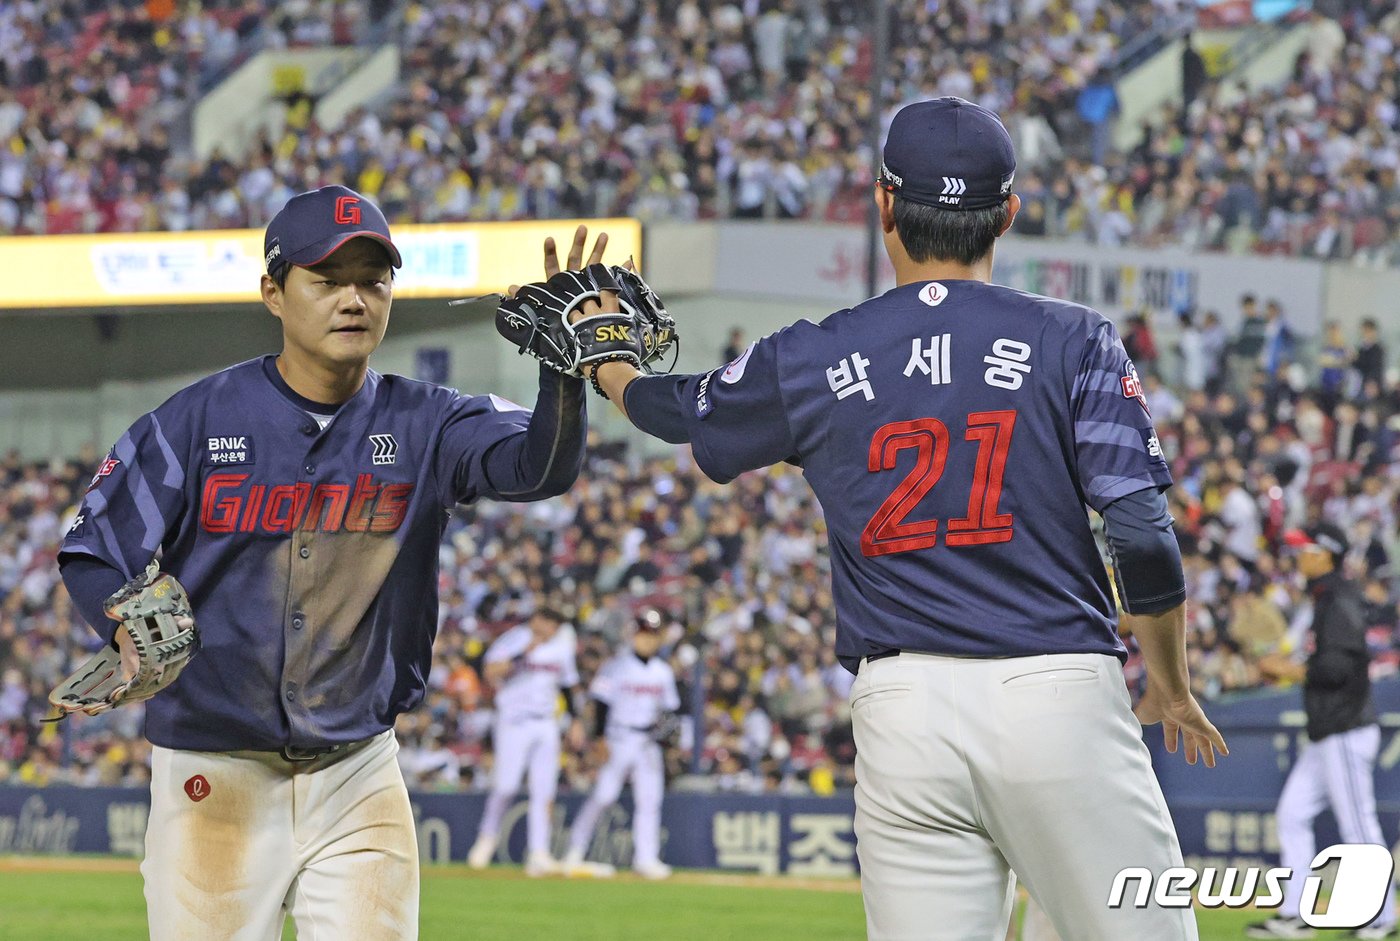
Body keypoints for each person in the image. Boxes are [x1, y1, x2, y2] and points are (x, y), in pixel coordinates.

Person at [557, 97, 1227, 939]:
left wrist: (610, 363)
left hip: (900, 707)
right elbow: (1140, 534)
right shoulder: (1075, 339)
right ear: (1009, 213)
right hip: (1054, 690)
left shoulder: (814, 353)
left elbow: (680, 411)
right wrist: (1168, 682)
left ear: (882, 204)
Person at [54, 185, 600, 940]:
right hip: (214, 769)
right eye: (327, 278)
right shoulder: (199, 418)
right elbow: (94, 547)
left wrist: (563, 380)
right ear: (273, 293)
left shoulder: (428, 419)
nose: (354, 299)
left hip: (357, 770)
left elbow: (538, 468)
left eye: (372, 280)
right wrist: (120, 626)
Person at [1249, 525, 1397, 940]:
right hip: (1327, 731)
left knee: (1358, 826)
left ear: (1325, 554)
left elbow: (1342, 666)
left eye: (1306, 550)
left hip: (1345, 728)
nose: (1299, 557)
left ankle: (1381, 916)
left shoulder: (1339, 598)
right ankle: (1296, 912)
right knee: (1292, 815)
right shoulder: (1325, 596)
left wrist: (1292, 669)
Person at [563, 609, 680, 880]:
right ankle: (575, 849)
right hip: (619, 737)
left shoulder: (663, 672)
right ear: (634, 635)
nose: (648, 640)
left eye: (653, 635)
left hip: (647, 742)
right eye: (644, 634)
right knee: (604, 795)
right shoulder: (617, 666)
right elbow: (602, 704)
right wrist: (600, 739)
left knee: (650, 799)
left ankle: (646, 858)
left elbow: (670, 710)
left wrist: (668, 736)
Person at [467, 607, 584, 876]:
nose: (550, 627)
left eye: (555, 623)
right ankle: (486, 838)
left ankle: (539, 852)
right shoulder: (515, 638)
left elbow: (568, 685)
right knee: (506, 786)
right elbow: (490, 672)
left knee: (544, 791)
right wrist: (522, 655)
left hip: (545, 722)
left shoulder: (561, 648)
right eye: (547, 620)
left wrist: (575, 720)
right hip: (513, 722)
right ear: (535, 619)